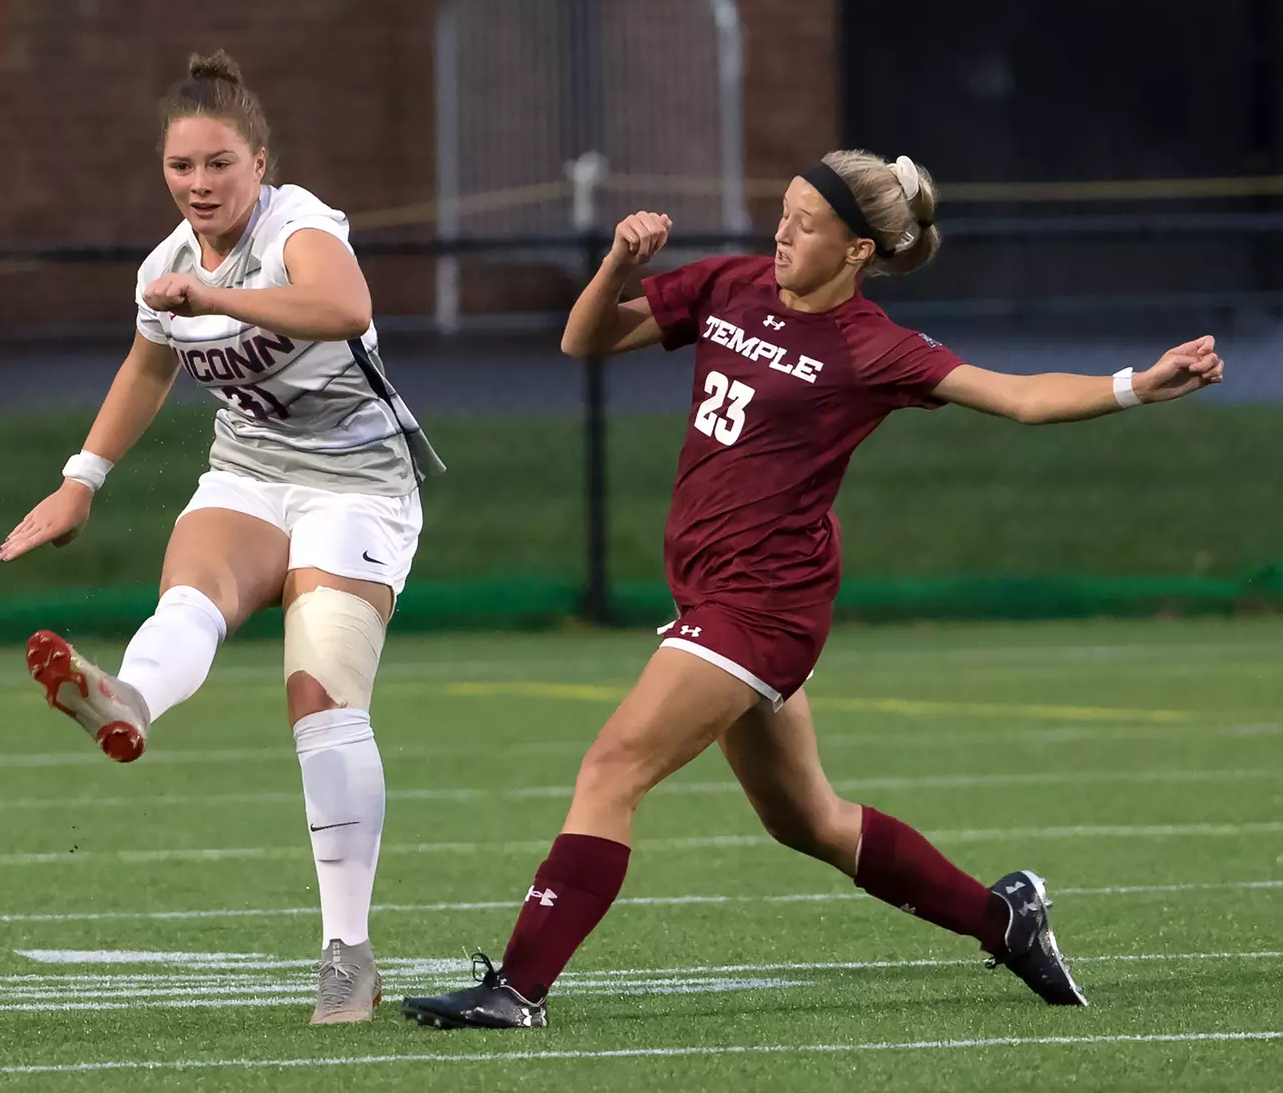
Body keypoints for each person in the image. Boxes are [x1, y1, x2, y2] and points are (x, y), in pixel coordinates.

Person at [401, 149, 1223, 1029]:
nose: (783, 232)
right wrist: (616, 266)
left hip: (763, 605)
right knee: (809, 821)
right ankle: (1005, 920)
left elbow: (1017, 396)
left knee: (613, 768)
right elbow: (584, 339)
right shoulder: (733, 284)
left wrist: (1138, 386)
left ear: (858, 250)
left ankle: (518, 990)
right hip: (712, 593)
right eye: (784, 212)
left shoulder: (872, 345)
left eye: (806, 221)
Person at [0, 50, 443, 1026]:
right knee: (189, 601)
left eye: (218, 164)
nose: (198, 184)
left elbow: (346, 308)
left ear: (260, 163)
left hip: (359, 485)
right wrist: (80, 482)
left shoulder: (299, 225)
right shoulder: (164, 267)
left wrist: (219, 299)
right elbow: (148, 366)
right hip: (249, 471)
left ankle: (347, 954)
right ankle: (126, 698)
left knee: (319, 698)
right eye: (180, 166)